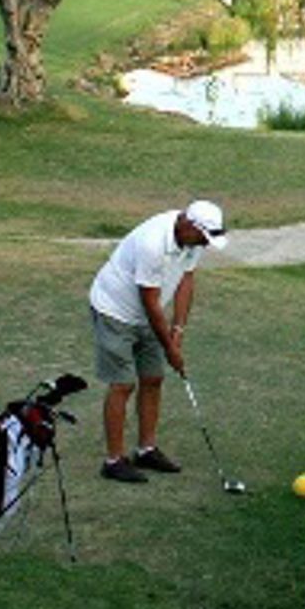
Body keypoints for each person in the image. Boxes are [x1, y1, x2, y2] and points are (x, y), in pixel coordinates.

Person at [86, 200, 227, 483]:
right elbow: (149, 301)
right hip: (114, 310)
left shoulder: (192, 241)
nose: (206, 244)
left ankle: (146, 450)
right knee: (123, 384)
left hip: (149, 314)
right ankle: (114, 460)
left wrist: (178, 329)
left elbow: (186, 280)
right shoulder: (153, 242)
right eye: (204, 237)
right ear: (189, 225)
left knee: (153, 379)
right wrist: (170, 349)